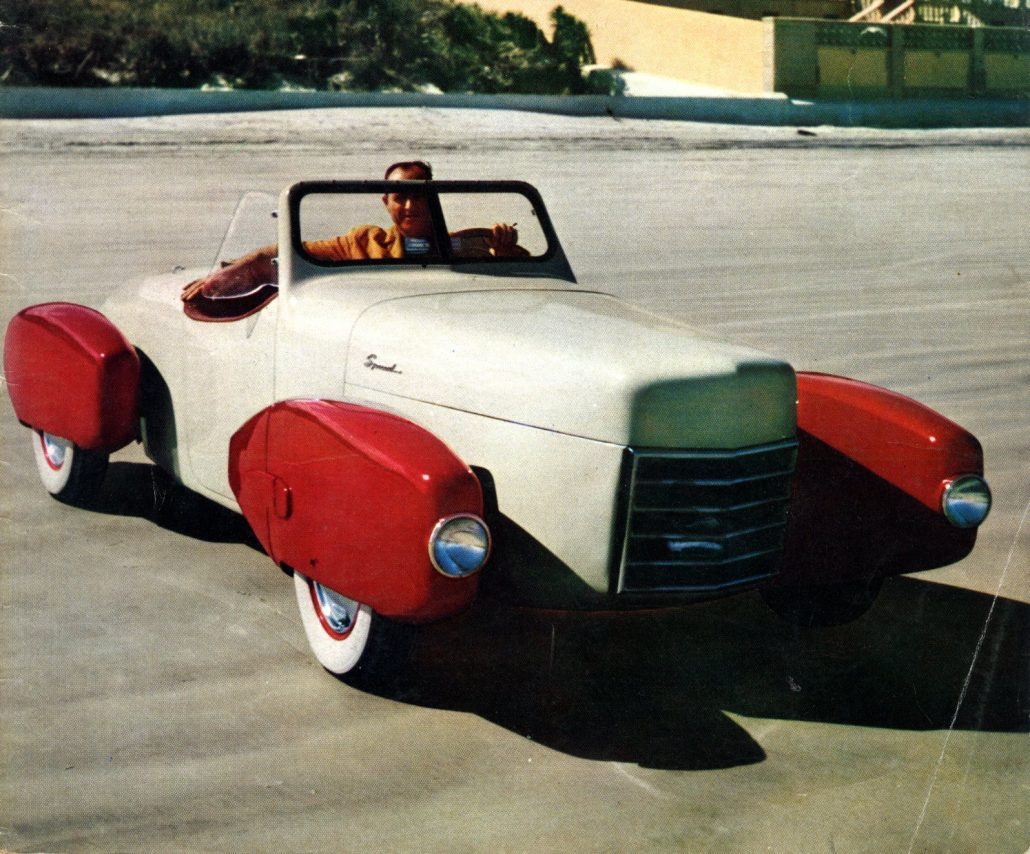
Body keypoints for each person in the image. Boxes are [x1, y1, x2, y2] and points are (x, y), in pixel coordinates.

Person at [181, 160, 520, 304]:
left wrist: (505, 254)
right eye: (399, 197)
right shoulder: (364, 242)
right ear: (386, 202)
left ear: (433, 198)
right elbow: (288, 253)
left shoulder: (469, 245)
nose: (409, 206)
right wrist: (223, 277)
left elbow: (517, 289)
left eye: (419, 195)